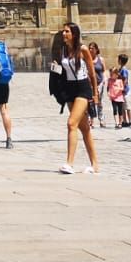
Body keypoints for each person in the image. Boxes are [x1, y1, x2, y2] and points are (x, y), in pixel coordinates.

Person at [52, 22, 99, 174]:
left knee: (71, 123)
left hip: (82, 88)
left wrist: (95, 94)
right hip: (70, 89)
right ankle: (95, 164)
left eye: (67, 31)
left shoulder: (83, 49)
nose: (64, 34)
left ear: (74, 34)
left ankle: (69, 163)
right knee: (84, 128)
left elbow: (92, 73)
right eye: (63, 31)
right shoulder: (64, 49)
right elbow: (62, 70)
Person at [108, 55, 131, 129]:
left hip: (125, 91)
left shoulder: (124, 70)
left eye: (118, 59)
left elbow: (125, 80)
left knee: (127, 107)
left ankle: (130, 121)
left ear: (120, 60)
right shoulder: (120, 69)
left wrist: (123, 89)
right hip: (121, 92)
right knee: (123, 107)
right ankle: (124, 121)